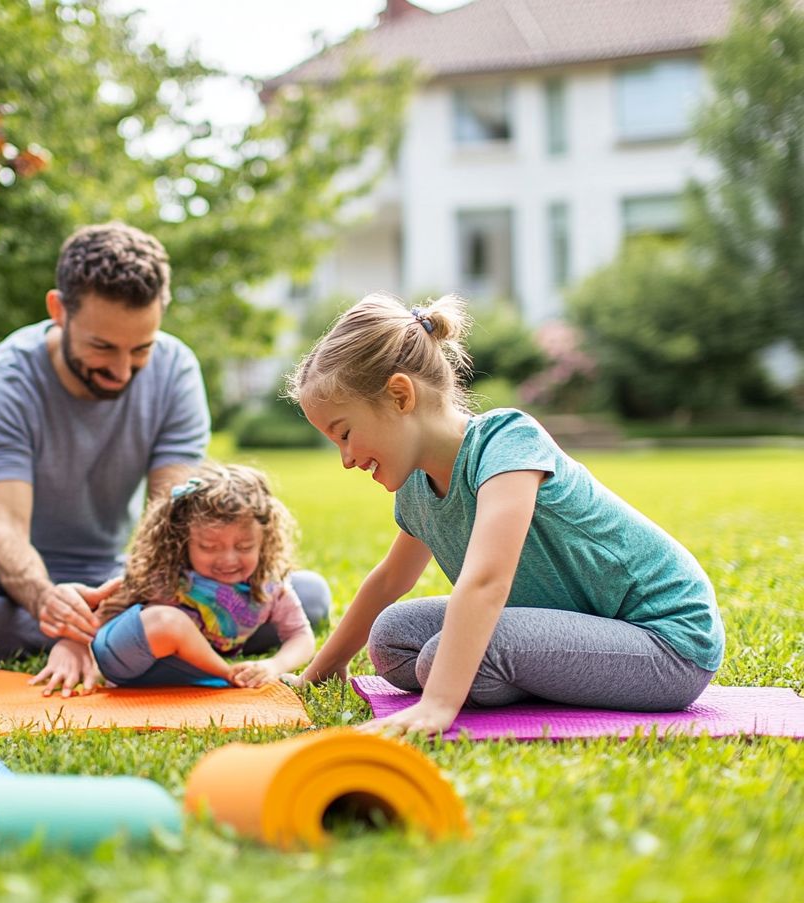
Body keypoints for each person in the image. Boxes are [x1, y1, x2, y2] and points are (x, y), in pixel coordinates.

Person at [284, 292, 724, 736]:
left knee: (447, 659)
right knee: (393, 638)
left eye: (345, 434)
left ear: (400, 396)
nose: (345, 458)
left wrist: (439, 704)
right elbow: (389, 580)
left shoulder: (507, 442)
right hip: (581, 625)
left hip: (667, 642)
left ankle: (515, 669)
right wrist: (323, 669)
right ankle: (532, 667)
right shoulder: (417, 487)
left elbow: (487, 581)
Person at [0, 221, 332, 697]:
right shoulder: (6, 380)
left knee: (307, 596)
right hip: (5, 583)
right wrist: (51, 609)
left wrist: (111, 604)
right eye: (103, 347)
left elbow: (172, 522)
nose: (122, 371)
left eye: (141, 348)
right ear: (59, 310)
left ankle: (138, 630)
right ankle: (149, 636)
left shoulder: (176, 371)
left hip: (123, 575)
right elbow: (3, 531)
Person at [91, 462, 316, 688]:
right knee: (168, 622)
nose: (228, 559)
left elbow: (301, 636)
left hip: (179, 678)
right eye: (209, 547)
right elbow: (104, 613)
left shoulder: (270, 586)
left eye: (245, 547)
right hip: (131, 662)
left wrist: (274, 666)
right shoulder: (166, 574)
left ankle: (225, 676)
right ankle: (228, 675)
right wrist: (82, 656)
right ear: (183, 540)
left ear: (264, 541)